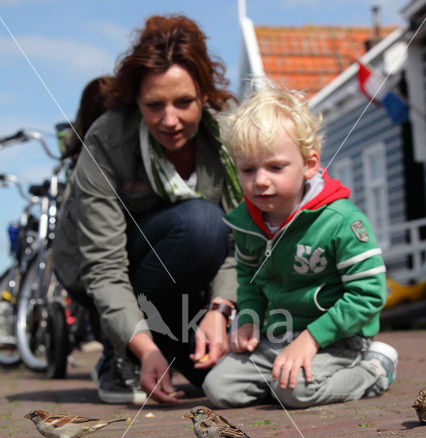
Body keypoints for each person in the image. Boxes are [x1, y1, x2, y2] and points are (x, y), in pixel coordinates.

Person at [53, 14, 242, 404]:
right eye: (154, 105)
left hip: (185, 276)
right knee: (200, 224)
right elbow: (104, 266)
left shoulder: (227, 136)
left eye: (184, 102)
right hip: (102, 269)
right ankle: (119, 352)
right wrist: (144, 348)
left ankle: (168, 339)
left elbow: (242, 238)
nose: (170, 120)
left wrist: (220, 311)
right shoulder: (107, 138)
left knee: (222, 383)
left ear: (205, 95)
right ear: (136, 103)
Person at [202, 81, 398, 409]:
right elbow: (249, 278)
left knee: (295, 392)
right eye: (248, 169)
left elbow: (370, 294)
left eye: (275, 167)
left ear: (309, 164)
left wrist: (310, 339)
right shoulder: (248, 224)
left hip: (337, 338)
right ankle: (287, 377)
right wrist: (248, 315)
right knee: (219, 388)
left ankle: (374, 369)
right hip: (276, 335)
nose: (260, 180)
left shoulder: (341, 220)